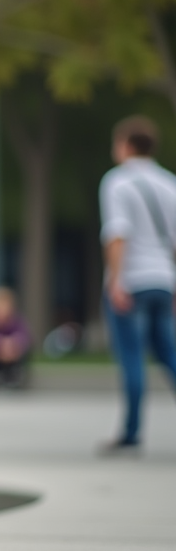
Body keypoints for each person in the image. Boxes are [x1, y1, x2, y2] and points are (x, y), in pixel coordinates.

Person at [98, 115, 176, 454]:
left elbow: (117, 234)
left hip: (133, 280)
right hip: (164, 279)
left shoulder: (118, 182)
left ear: (127, 145)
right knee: (169, 354)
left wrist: (117, 281)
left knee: (132, 356)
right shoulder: (169, 183)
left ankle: (131, 432)